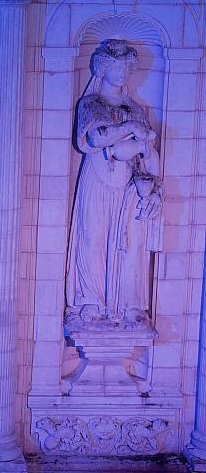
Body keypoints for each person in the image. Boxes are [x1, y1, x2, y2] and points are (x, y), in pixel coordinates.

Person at [65, 39, 162, 328]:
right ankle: (90, 300)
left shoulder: (135, 109)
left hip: (130, 186)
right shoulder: (92, 103)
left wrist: (155, 189)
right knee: (92, 236)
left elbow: (147, 155)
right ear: (104, 68)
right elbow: (94, 139)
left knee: (130, 244)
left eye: (126, 67)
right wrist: (130, 130)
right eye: (116, 67)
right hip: (97, 181)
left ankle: (130, 304)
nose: (121, 73)